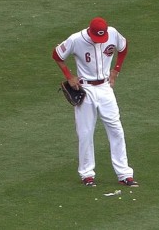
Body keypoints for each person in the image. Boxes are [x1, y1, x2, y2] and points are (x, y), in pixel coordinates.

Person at [52, 17, 138, 187]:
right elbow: (57, 54)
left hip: (105, 88)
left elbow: (124, 47)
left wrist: (116, 70)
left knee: (116, 129)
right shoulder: (76, 39)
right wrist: (69, 77)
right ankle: (87, 174)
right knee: (85, 133)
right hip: (85, 90)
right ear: (90, 31)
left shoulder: (112, 33)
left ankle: (124, 174)